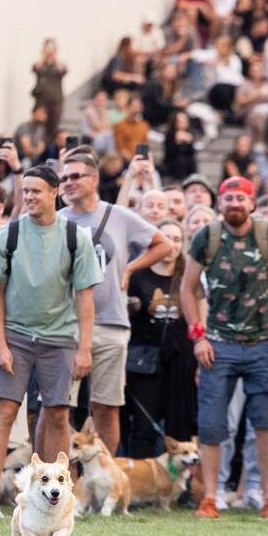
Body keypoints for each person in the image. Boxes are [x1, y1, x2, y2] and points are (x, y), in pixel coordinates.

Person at [0, 165, 102, 519]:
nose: (29, 197)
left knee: (59, 414)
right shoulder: (8, 235)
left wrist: (84, 348)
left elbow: (85, 298)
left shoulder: (75, 236)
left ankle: (58, 495)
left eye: (36, 191)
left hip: (60, 338)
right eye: (25, 191)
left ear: (55, 193)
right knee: (4, 412)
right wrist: (0, 344)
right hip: (16, 335)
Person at [180, 176, 268, 519]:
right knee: (211, 423)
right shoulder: (208, 236)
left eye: (241, 198)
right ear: (220, 203)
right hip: (218, 344)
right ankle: (210, 497)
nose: (234, 203)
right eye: (228, 198)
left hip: (262, 342)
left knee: (265, 422)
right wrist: (198, 336)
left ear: (251, 203)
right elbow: (187, 288)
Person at [58, 152, 169, 453]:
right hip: (66, 325)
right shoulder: (58, 220)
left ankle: (106, 481)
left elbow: (163, 244)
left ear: (93, 180)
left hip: (111, 322)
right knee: (59, 408)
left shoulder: (119, 216)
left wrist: (131, 268)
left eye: (75, 176)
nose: (67, 182)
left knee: (106, 406)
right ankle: (65, 482)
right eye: (64, 177)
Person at [124, 219, 196, 457]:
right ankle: (141, 487)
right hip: (144, 361)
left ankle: (177, 488)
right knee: (144, 426)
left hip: (181, 361)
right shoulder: (137, 275)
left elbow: (200, 322)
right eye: (166, 238)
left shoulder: (189, 276)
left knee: (180, 426)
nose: (171, 245)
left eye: (177, 239)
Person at [31, 39, 66, 142]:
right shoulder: (41, 65)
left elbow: (62, 69)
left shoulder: (59, 65)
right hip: (42, 100)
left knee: (54, 126)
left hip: (55, 101)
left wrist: (55, 58)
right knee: (40, 125)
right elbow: (36, 67)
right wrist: (43, 57)